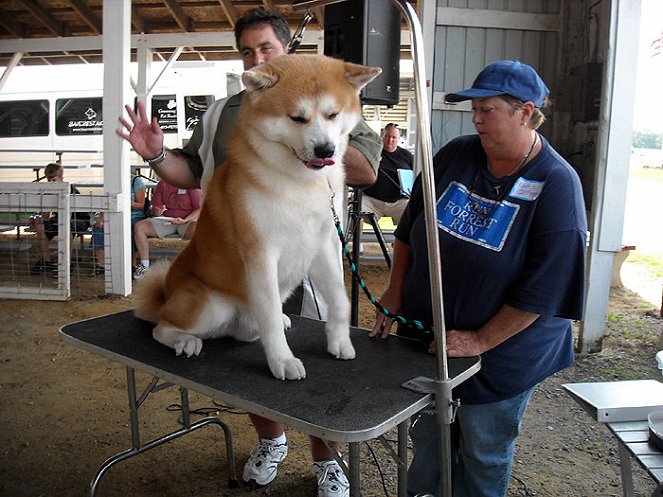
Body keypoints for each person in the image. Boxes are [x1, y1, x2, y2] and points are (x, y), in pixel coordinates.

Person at [117, 8, 381, 496]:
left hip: (305, 251)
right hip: (243, 254)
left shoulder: (333, 96)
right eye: (247, 51)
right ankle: (272, 441)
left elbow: (365, 170)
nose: (257, 60)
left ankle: (326, 460)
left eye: (267, 48)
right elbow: (195, 173)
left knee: (321, 374)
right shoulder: (221, 111)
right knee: (257, 374)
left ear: (289, 49)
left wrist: (318, 138)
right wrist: (154, 154)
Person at [370, 60, 587, 497]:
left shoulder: (557, 184)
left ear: (525, 112)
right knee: (429, 438)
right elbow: (412, 229)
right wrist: (395, 291)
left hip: (504, 353)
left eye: (487, 109)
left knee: (483, 449)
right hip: (433, 341)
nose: (476, 118)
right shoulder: (457, 153)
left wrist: (482, 340)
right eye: (474, 109)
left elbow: (541, 290)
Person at [132, 179, 201, 280]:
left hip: (188, 219)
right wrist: (157, 210)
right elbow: (156, 207)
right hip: (167, 220)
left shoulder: (190, 183)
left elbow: (199, 208)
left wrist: (185, 219)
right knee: (139, 227)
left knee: (198, 230)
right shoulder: (163, 184)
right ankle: (145, 265)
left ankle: (197, 265)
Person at [30, 163, 91, 275]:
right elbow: (46, 216)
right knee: (41, 226)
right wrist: (40, 220)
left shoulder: (69, 189)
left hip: (78, 219)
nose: (50, 183)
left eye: (53, 180)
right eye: (49, 180)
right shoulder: (47, 191)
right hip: (60, 219)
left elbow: (70, 213)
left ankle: (66, 263)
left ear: (61, 178)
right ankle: (46, 261)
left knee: (66, 226)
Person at [90, 173, 148, 276]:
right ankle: (101, 265)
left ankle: (131, 264)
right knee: (99, 227)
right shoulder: (110, 181)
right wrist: (100, 219)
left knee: (131, 228)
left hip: (133, 214)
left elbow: (141, 205)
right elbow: (106, 203)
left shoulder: (135, 181)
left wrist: (129, 203)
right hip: (113, 214)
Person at [361, 123, 414, 224]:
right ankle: (354, 239)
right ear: (382, 136)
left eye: (394, 137)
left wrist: (412, 193)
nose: (390, 140)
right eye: (387, 136)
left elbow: (417, 177)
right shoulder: (372, 152)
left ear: (398, 138)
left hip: (398, 202)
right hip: (372, 200)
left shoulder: (407, 156)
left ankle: (401, 240)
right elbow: (360, 172)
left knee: (412, 214)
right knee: (355, 209)